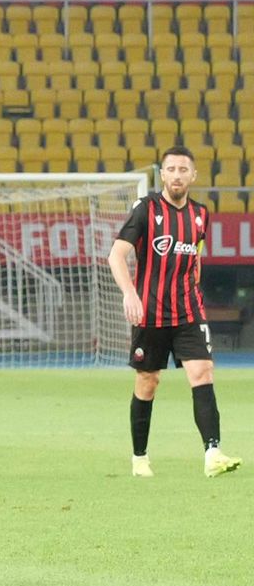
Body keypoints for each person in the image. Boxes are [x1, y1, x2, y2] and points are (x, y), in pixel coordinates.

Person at [108, 146, 242, 479]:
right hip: (150, 313)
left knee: (202, 373)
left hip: (188, 312)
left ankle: (212, 453)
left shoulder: (200, 215)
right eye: (171, 169)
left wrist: (191, 289)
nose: (178, 175)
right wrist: (129, 294)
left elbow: (195, 258)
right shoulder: (145, 209)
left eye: (184, 169)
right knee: (148, 382)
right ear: (163, 175)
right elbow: (116, 255)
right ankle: (140, 458)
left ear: (193, 176)